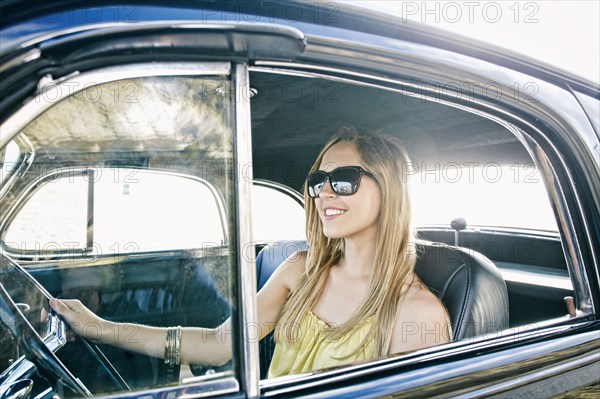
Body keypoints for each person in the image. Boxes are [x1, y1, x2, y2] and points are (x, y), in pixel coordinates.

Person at [51, 127, 451, 379]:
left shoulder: (418, 313)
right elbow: (217, 343)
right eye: (318, 180)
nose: (324, 192)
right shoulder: (301, 272)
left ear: (391, 191)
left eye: (344, 180)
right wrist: (98, 327)